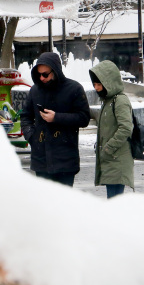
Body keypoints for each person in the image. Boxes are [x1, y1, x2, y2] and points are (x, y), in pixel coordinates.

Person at [20, 52, 91, 186]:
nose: (41, 78)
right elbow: (25, 116)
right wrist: (31, 136)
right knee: (44, 204)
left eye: (45, 74)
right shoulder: (35, 90)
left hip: (65, 159)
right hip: (41, 159)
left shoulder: (74, 89)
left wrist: (57, 117)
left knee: (63, 204)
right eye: (39, 74)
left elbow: (84, 118)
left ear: (55, 71)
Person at [89, 60, 134, 198]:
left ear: (108, 83)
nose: (96, 88)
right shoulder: (108, 101)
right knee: (113, 201)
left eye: (99, 84)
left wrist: (108, 148)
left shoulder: (119, 100)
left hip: (116, 159)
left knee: (115, 202)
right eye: (95, 84)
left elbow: (126, 127)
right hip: (112, 159)